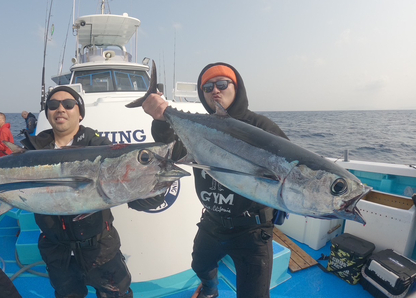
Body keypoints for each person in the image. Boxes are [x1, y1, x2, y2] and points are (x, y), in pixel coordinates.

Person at [141, 63, 289, 298]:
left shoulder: (262, 127)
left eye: (222, 84)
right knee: (199, 264)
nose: (215, 91)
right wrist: (160, 119)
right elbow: (174, 151)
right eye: (208, 87)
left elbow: (288, 169)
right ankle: (210, 289)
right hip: (213, 222)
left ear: (236, 87)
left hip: (252, 230)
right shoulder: (199, 126)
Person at [20, 86, 161, 298]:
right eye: (52, 105)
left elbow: (126, 188)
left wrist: (151, 190)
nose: (60, 109)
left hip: (100, 247)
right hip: (56, 250)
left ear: (80, 113)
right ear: (47, 113)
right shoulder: (31, 151)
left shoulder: (100, 147)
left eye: (68, 104)